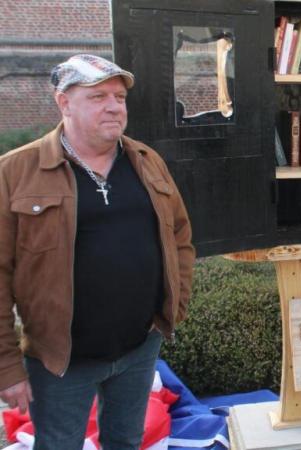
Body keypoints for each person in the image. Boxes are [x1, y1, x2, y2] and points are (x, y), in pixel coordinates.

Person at [0, 54, 195, 449]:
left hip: (139, 347)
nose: (113, 106)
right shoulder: (15, 173)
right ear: (64, 103)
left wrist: (175, 305)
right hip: (60, 360)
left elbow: (180, 237)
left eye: (119, 97)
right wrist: (6, 367)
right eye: (98, 96)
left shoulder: (147, 161)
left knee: (126, 440)